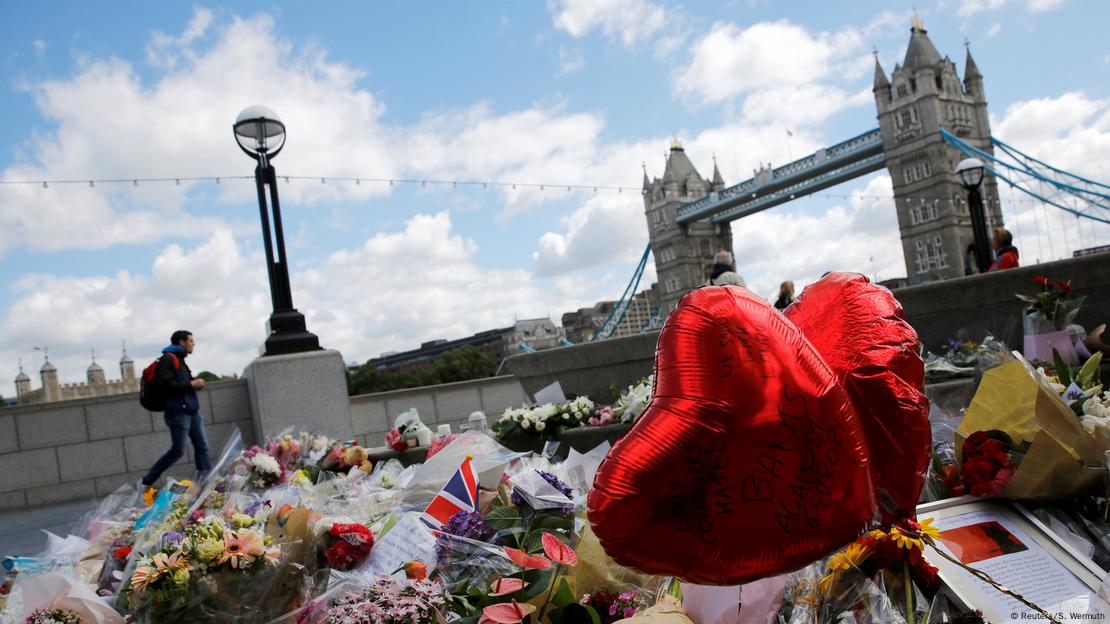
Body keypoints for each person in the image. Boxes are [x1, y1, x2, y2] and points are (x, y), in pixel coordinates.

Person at [140, 330, 210, 489]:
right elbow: (165, 384)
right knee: (178, 450)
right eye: (191, 341)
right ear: (181, 342)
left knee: (202, 446)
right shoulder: (169, 359)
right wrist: (191, 384)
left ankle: (206, 481)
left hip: (192, 410)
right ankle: (148, 480)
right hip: (178, 412)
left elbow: (179, 385)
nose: (194, 344)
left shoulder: (179, 359)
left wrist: (193, 386)